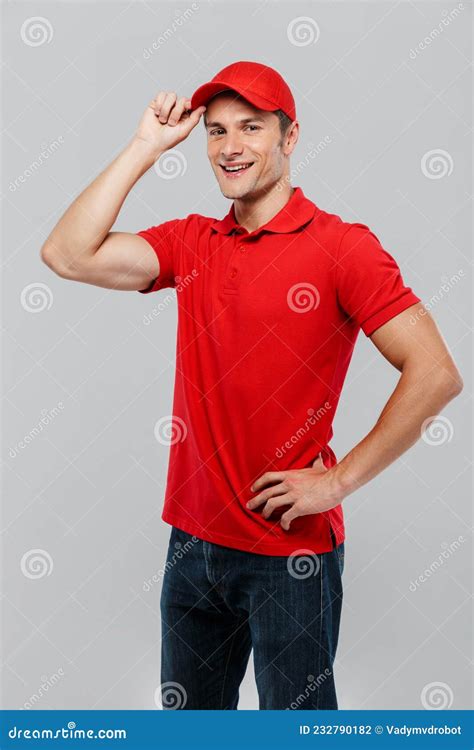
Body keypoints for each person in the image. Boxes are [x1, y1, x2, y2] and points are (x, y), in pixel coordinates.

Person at [40, 60, 463, 710]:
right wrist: (146, 147)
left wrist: (338, 481)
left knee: (296, 733)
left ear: (289, 139)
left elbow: (436, 372)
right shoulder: (192, 241)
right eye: (215, 131)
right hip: (191, 543)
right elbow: (67, 255)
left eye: (251, 127)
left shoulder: (342, 248)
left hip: (287, 552)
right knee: (192, 726)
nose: (230, 146)